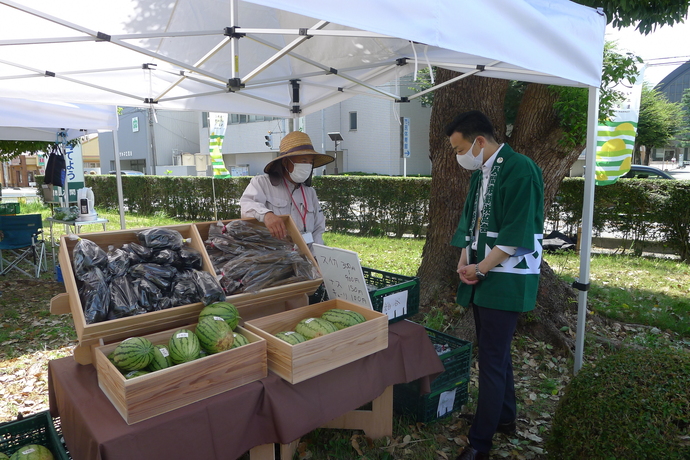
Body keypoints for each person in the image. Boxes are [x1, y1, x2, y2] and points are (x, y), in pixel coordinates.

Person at [446, 111, 544, 460]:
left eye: (459, 149)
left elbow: (518, 232)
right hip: (482, 274)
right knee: (496, 355)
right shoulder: (482, 173)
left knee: (490, 358)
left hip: (506, 279)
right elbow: (470, 223)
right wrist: (464, 259)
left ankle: (480, 443)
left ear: (480, 142)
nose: (458, 157)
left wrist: (481, 269)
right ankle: (503, 418)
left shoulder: (521, 169)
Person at [240, 130, 334, 248]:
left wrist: (317, 257)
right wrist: (266, 215)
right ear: (285, 162)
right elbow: (246, 206)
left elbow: (318, 230)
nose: (308, 166)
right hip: (272, 258)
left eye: (310, 162)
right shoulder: (262, 183)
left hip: (305, 257)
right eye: (304, 161)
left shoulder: (310, 193)